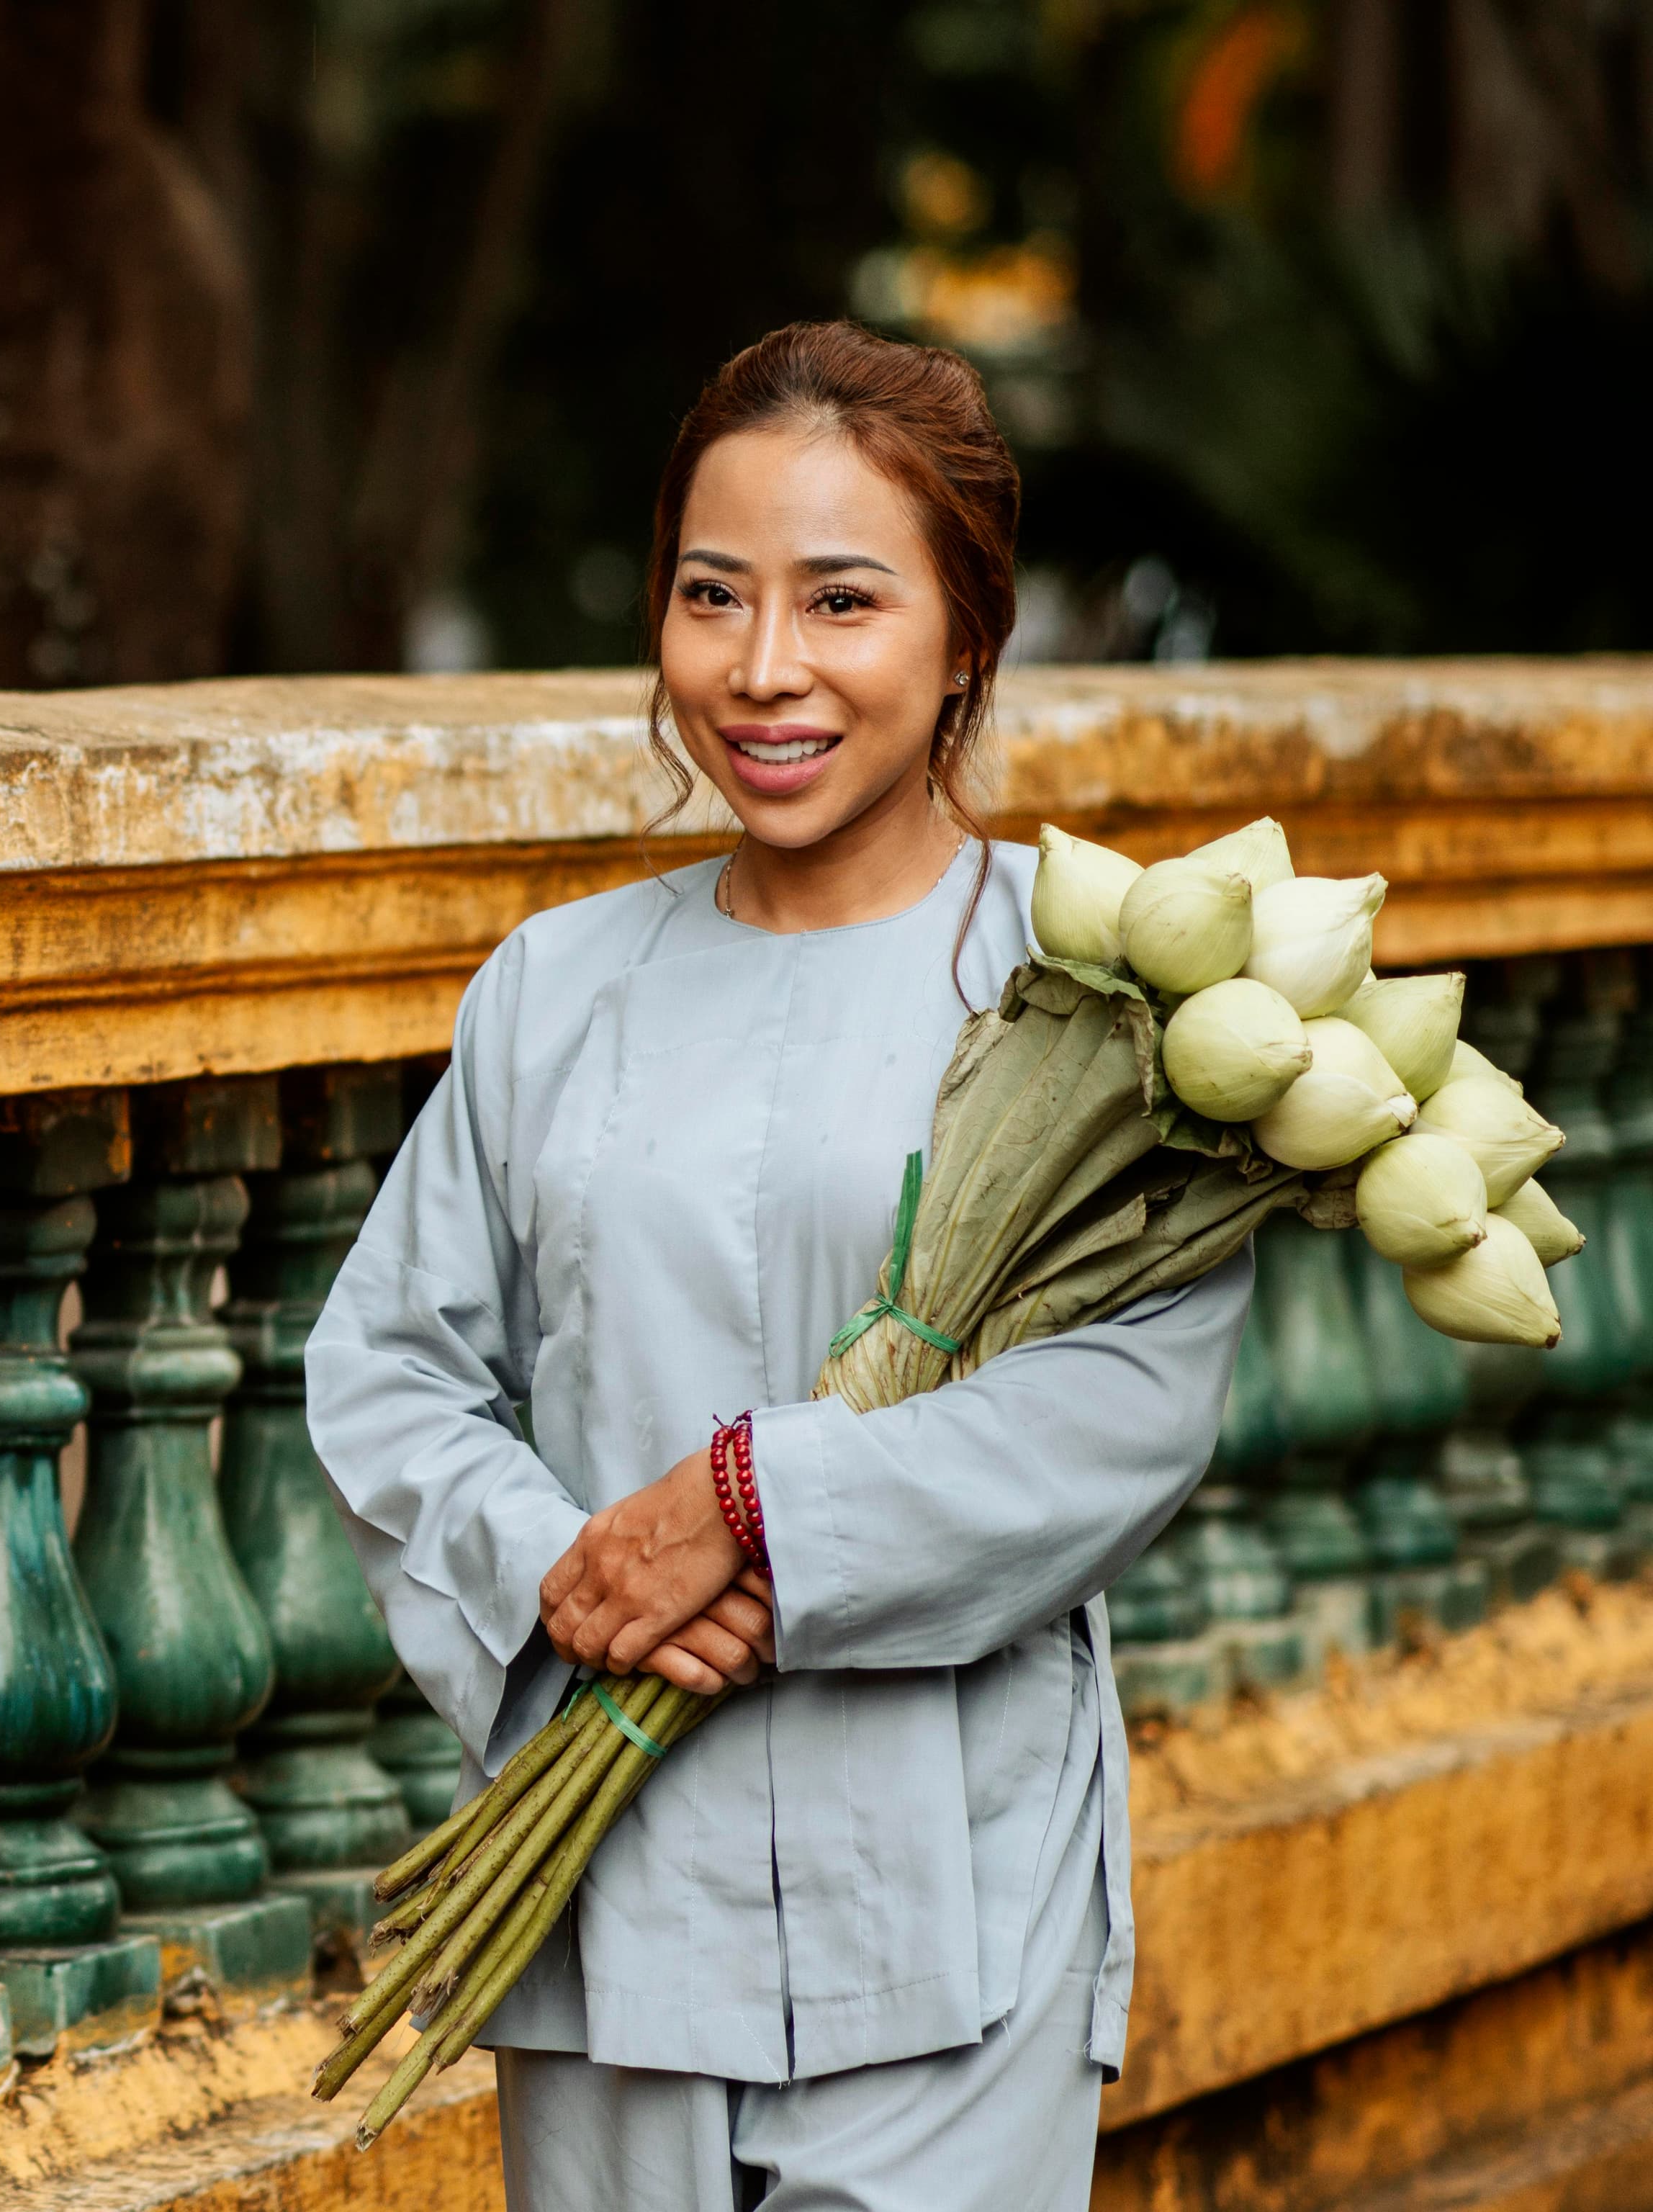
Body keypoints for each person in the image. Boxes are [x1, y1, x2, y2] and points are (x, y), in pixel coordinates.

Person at [303, 321, 1246, 2211]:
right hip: (609, 1900)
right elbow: (392, 1369)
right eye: (711, 596)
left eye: (840, 602)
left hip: (951, 1899)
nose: (762, 669)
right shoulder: (557, 990)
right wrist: (571, 1574)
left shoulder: (1086, 995)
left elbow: (1125, 1403)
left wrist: (754, 1508)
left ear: (966, 634)